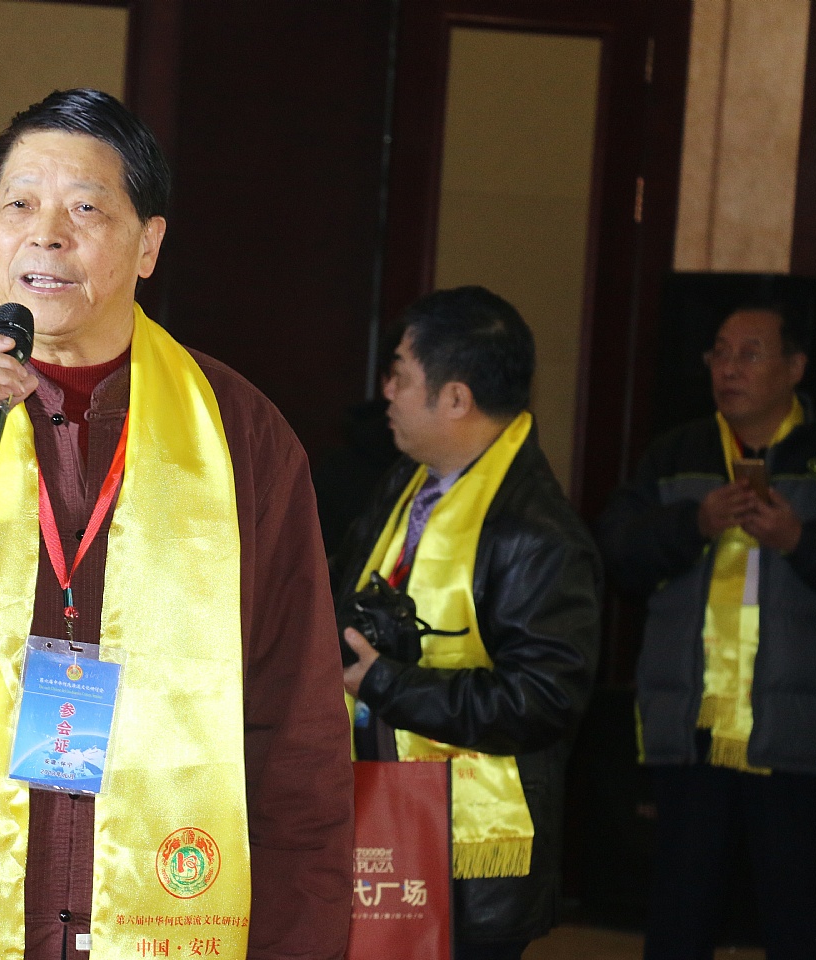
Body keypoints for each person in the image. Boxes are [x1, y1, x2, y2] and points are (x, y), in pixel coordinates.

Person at [0, 88, 353, 960]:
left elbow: (296, 725)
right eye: (18, 204)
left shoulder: (241, 436)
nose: (44, 235)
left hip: (174, 913)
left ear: (148, 244)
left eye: (85, 209)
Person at [335, 286, 600, 960]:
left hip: (471, 859)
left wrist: (384, 683)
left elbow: (542, 700)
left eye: (401, 375)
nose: (386, 391)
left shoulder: (538, 535)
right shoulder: (406, 484)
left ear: (455, 398)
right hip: (378, 813)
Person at [597, 303, 816, 960]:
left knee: (802, 922)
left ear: (795, 367)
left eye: (749, 353)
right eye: (719, 352)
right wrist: (693, 525)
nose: (728, 368)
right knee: (679, 920)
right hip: (691, 729)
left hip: (800, 732)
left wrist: (800, 540)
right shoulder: (675, 453)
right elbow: (617, 554)